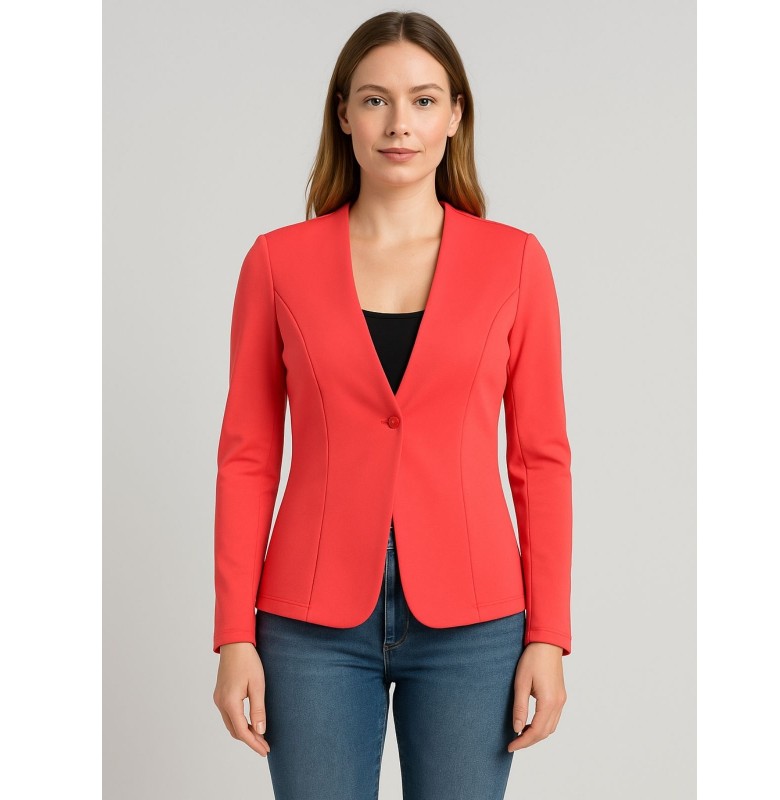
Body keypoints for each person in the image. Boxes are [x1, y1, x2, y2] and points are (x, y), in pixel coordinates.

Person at [212, 11, 572, 800]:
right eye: (375, 100)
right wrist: (234, 634)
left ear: (455, 115)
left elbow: (540, 460)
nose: (398, 123)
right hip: (309, 624)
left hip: (475, 624)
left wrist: (548, 635)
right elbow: (247, 458)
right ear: (344, 114)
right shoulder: (276, 264)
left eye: (422, 100)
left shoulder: (515, 262)